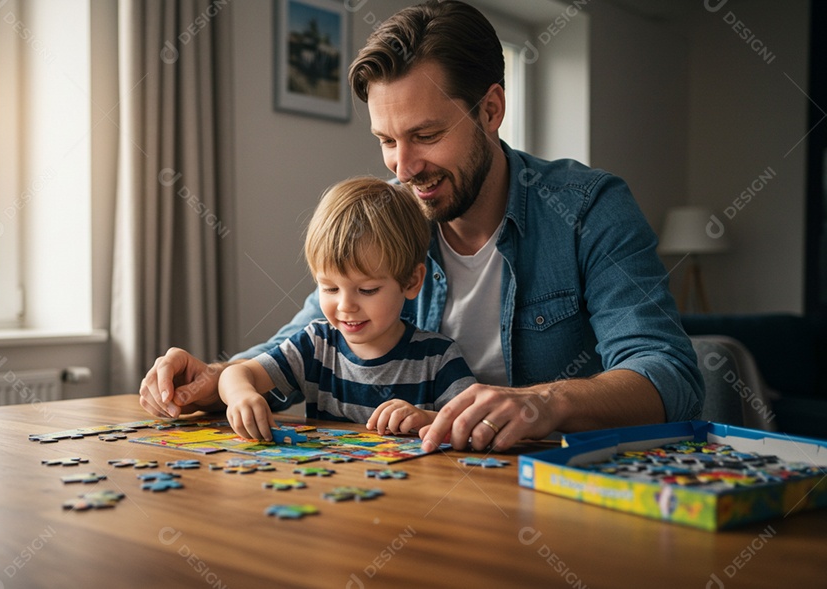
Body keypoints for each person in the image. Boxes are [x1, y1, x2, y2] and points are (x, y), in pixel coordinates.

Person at [140, 0, 704, 453]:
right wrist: (211, 379)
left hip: (556, 494)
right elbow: (307, 338)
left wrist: (544, 402)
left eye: (426, 136)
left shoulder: (588, 208)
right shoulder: (390, 216)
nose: (403, 169)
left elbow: (669, 375)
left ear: (491, 110)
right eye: (387, 140)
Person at [218, 177, 477, 441]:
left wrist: (428, 419)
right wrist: (242, 395)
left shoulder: (438, 357)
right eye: (330, 288)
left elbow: (474, 424)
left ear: (411, 282)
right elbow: (235, 373)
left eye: (367, 290)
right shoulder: (315, 345)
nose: (345, 306)